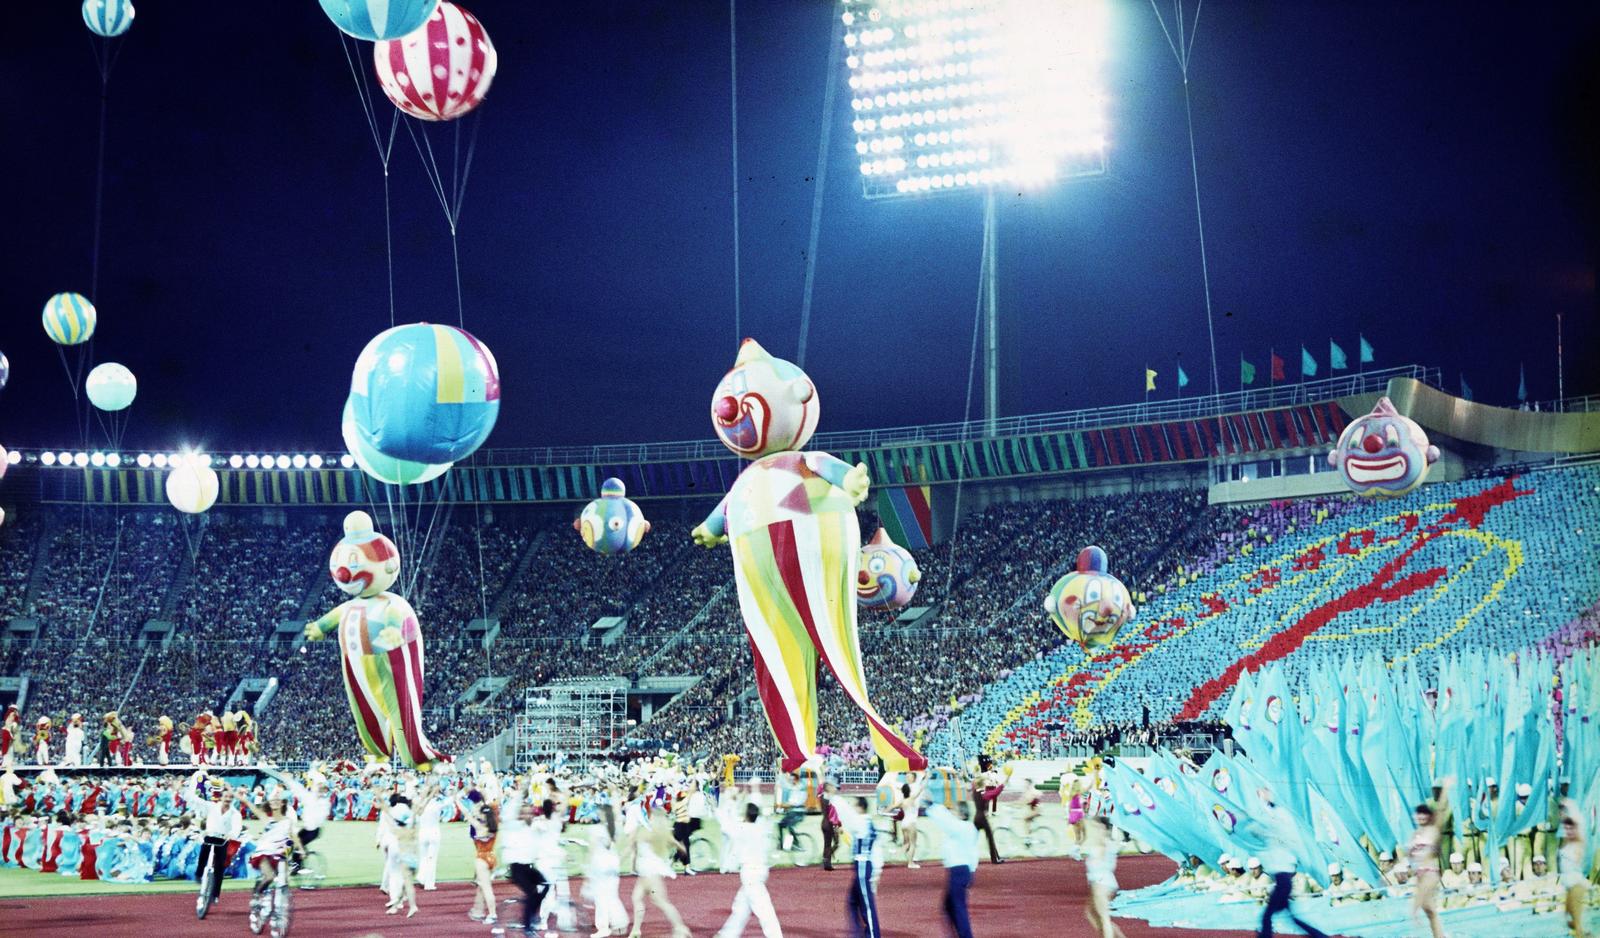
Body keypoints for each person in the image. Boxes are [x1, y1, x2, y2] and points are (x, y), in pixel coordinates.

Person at [1251, 786, 1329, 938]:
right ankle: (1319, 936)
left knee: (1267, 917)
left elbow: (1267, 822)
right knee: (1289, 918)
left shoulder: (1279, 817)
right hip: (1283, 881)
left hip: (1283, 881)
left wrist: (1262, 802)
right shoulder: (1277, 822)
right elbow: (1263, 827)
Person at [716, 777, 783, 938]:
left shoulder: (742, 828)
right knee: (741, 906)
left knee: (763, 908)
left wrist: (719, 808)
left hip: (750, 872)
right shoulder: (761, 827)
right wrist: (755, 790)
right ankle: (727, 934)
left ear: (746, 816)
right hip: (759, 870)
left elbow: (726, 824)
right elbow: (758, 808)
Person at [623, 792, 691, 938]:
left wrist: (628, 863)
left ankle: (681, 928)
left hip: (648, 871)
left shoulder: (644, 831)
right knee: (638, 897)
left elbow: (632, 848)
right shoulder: (661, 831)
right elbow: (678, 845)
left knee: (660, 901)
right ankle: (636, 930)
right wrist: (682, 849)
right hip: (650, 870)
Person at [184, 769, 242, 906]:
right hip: (210, 837)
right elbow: (194, 799)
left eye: (230, 797)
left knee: (220, 867)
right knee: (203, 855)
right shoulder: (211, 806)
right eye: (225, 797)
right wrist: (192, 784)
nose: (227, 799)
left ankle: (215, 894)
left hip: (223, 840)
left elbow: (237, 827)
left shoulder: (235, 813)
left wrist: (231, 834)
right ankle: (199, 874)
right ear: (221, 797)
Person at [830, 788, 881, 938]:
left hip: (862, 866)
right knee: (852, 902)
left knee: (866, 906)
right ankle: (859, 934)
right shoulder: (867, 823)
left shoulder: (861, 821)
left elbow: (845, 812)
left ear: (860, 807)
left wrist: (832, 795)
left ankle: (872, 935)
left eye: (855, 805)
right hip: (864, 866)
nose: (853, 807)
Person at [237, 789, 299, 911]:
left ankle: (280, 908)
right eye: (273, 801)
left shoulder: (288, 820)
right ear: (270, 804)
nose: (275, 802)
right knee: (269, 877)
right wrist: (242, 798)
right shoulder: (266, 819)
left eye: (278, 800)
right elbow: (251, 806)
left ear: (282, 803)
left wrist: (300, 850)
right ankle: (256, 895)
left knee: (284, 879)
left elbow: (293, 836)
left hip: (278, 852)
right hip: (264, 853)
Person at [1408, 778, 1452, 938]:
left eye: (1424, 814)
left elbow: (1440, 809)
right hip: (1420, 873)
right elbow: (1409, 856)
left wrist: (1445, 789)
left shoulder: (1433, 830)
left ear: (1428, 816)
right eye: (1418, 814)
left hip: (1431, 872)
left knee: (1417, 906)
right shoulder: (1415, 834)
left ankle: (1414, 916)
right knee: (1430, 911)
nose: (1420, 817)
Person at [501, 787, 549, 936]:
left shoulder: (534, 827)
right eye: (525, 812)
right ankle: (528, 927)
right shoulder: (514, 826)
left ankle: (531, 914)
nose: (528, 815)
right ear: (520, 814)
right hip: (517, 868)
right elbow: (508, 813)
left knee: (546, 885)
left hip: (528, 867)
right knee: (531, 893)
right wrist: (520, 794)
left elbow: (547, 838)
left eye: (530, 812)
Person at [927, 799, 978, 938]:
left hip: (958, 871)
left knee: (957, 908)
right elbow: (974, 853)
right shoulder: (968, 827)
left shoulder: (960, 827)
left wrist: (931, 804)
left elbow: (945, 820)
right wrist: (972, 872)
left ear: (961, 814)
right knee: (949, 907)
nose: (951, 813)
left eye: (954, 811)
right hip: (962, 871)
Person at [587, 801, 630, 938]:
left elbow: (592, 850)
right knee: (611, 895)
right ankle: (620, 922)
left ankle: (603, 928)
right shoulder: (615, 827)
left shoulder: (598, 829)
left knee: (601, 898)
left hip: (600, 865)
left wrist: (588, 867)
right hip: (612, 864)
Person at [1083, 816, 1127, 938]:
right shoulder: (1105, 841)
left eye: (1096, 827)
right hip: (1102, 881)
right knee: (1090, 913)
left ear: (1103, 828)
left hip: (1101, 882)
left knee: (1103, 917)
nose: (1094, 829)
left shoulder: (1103, 841)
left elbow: (1100, 859)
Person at [463, 787, 499, 926]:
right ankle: (479, 910)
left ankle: (492, 914)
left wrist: (456, 799)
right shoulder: (494, 826)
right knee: (484, 887)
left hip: (482, 858)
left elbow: (466, 812)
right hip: (492, 857)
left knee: (486, 888)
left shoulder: (479, 826)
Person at [1558, 798, 1589, 938]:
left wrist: (1570, 805)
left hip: (1577, 885)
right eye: (1566, 829)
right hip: (1568, 886)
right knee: (1569, 919)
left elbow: (1580, 822)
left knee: (1576, 926)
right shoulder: (1566, 843)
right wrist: (1564, 815)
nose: (1569, 831)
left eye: (1572, 829)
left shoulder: (1578, 842)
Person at [971, 755, 1003, 865]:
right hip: (983, 817)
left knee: (972, 839)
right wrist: (1003, 783)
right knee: (990, 837)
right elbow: (995, 792)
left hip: (976, 817)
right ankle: (995, 858)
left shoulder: (975, 791)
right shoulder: (984, 794)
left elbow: (975, 782)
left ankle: (965, 856)